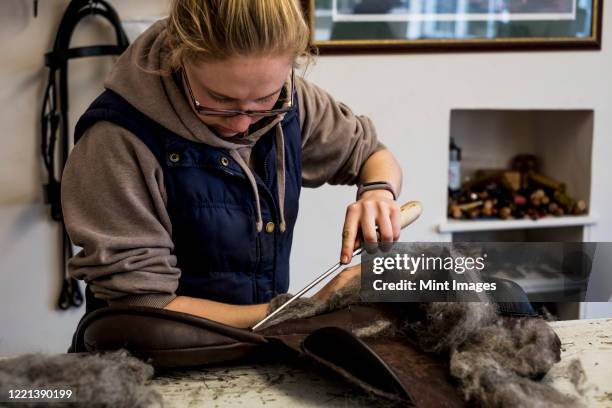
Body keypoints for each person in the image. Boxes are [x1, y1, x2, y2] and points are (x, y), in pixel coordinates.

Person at [61, 0, 403, 329]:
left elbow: (372, 154)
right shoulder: (117, 140)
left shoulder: (291, 99)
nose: (243, 124)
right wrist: (306, 308)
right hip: (150, 362)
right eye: (221, 100)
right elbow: (143, 307)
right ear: (180, 55)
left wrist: (378, 192)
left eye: (263, 100)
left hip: (255, 353)